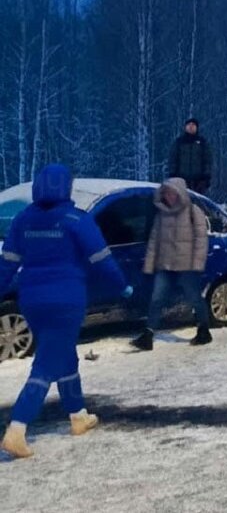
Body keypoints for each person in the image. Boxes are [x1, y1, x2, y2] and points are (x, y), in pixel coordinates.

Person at [0, 164, 126, 459]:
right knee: (46, 364)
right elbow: (101, 258)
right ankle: (17, 428)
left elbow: (7, 263)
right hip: (67, 300)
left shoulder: (22, 220)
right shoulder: (76, 219)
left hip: (31, 300)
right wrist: (122, 286)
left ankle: (78, 415)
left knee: (63, 355)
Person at [131, 178, 210, 351]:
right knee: (156, 298)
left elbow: (201, 239)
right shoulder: (161, 214)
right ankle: (148, 334)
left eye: (172, 193)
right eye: (166, 193)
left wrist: (197, 263)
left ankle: (204, 329)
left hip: (186, 265)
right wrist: (150, 265)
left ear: (180, 193)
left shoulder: (193, 211)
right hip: (165, 264)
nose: (169, 196)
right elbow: (154, 241)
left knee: (194, 298)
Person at [168, 118, 212, 195]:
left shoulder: (202, 142)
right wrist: (172, 175)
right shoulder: (179, 142)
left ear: (197, 128)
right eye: (189, 125)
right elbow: (173, 159)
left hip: (199, 180)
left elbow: (207, 160)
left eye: (193, 125)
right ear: (185, 127)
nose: (191, 127)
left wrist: (206, 176)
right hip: (181, 179)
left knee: (197, 202)